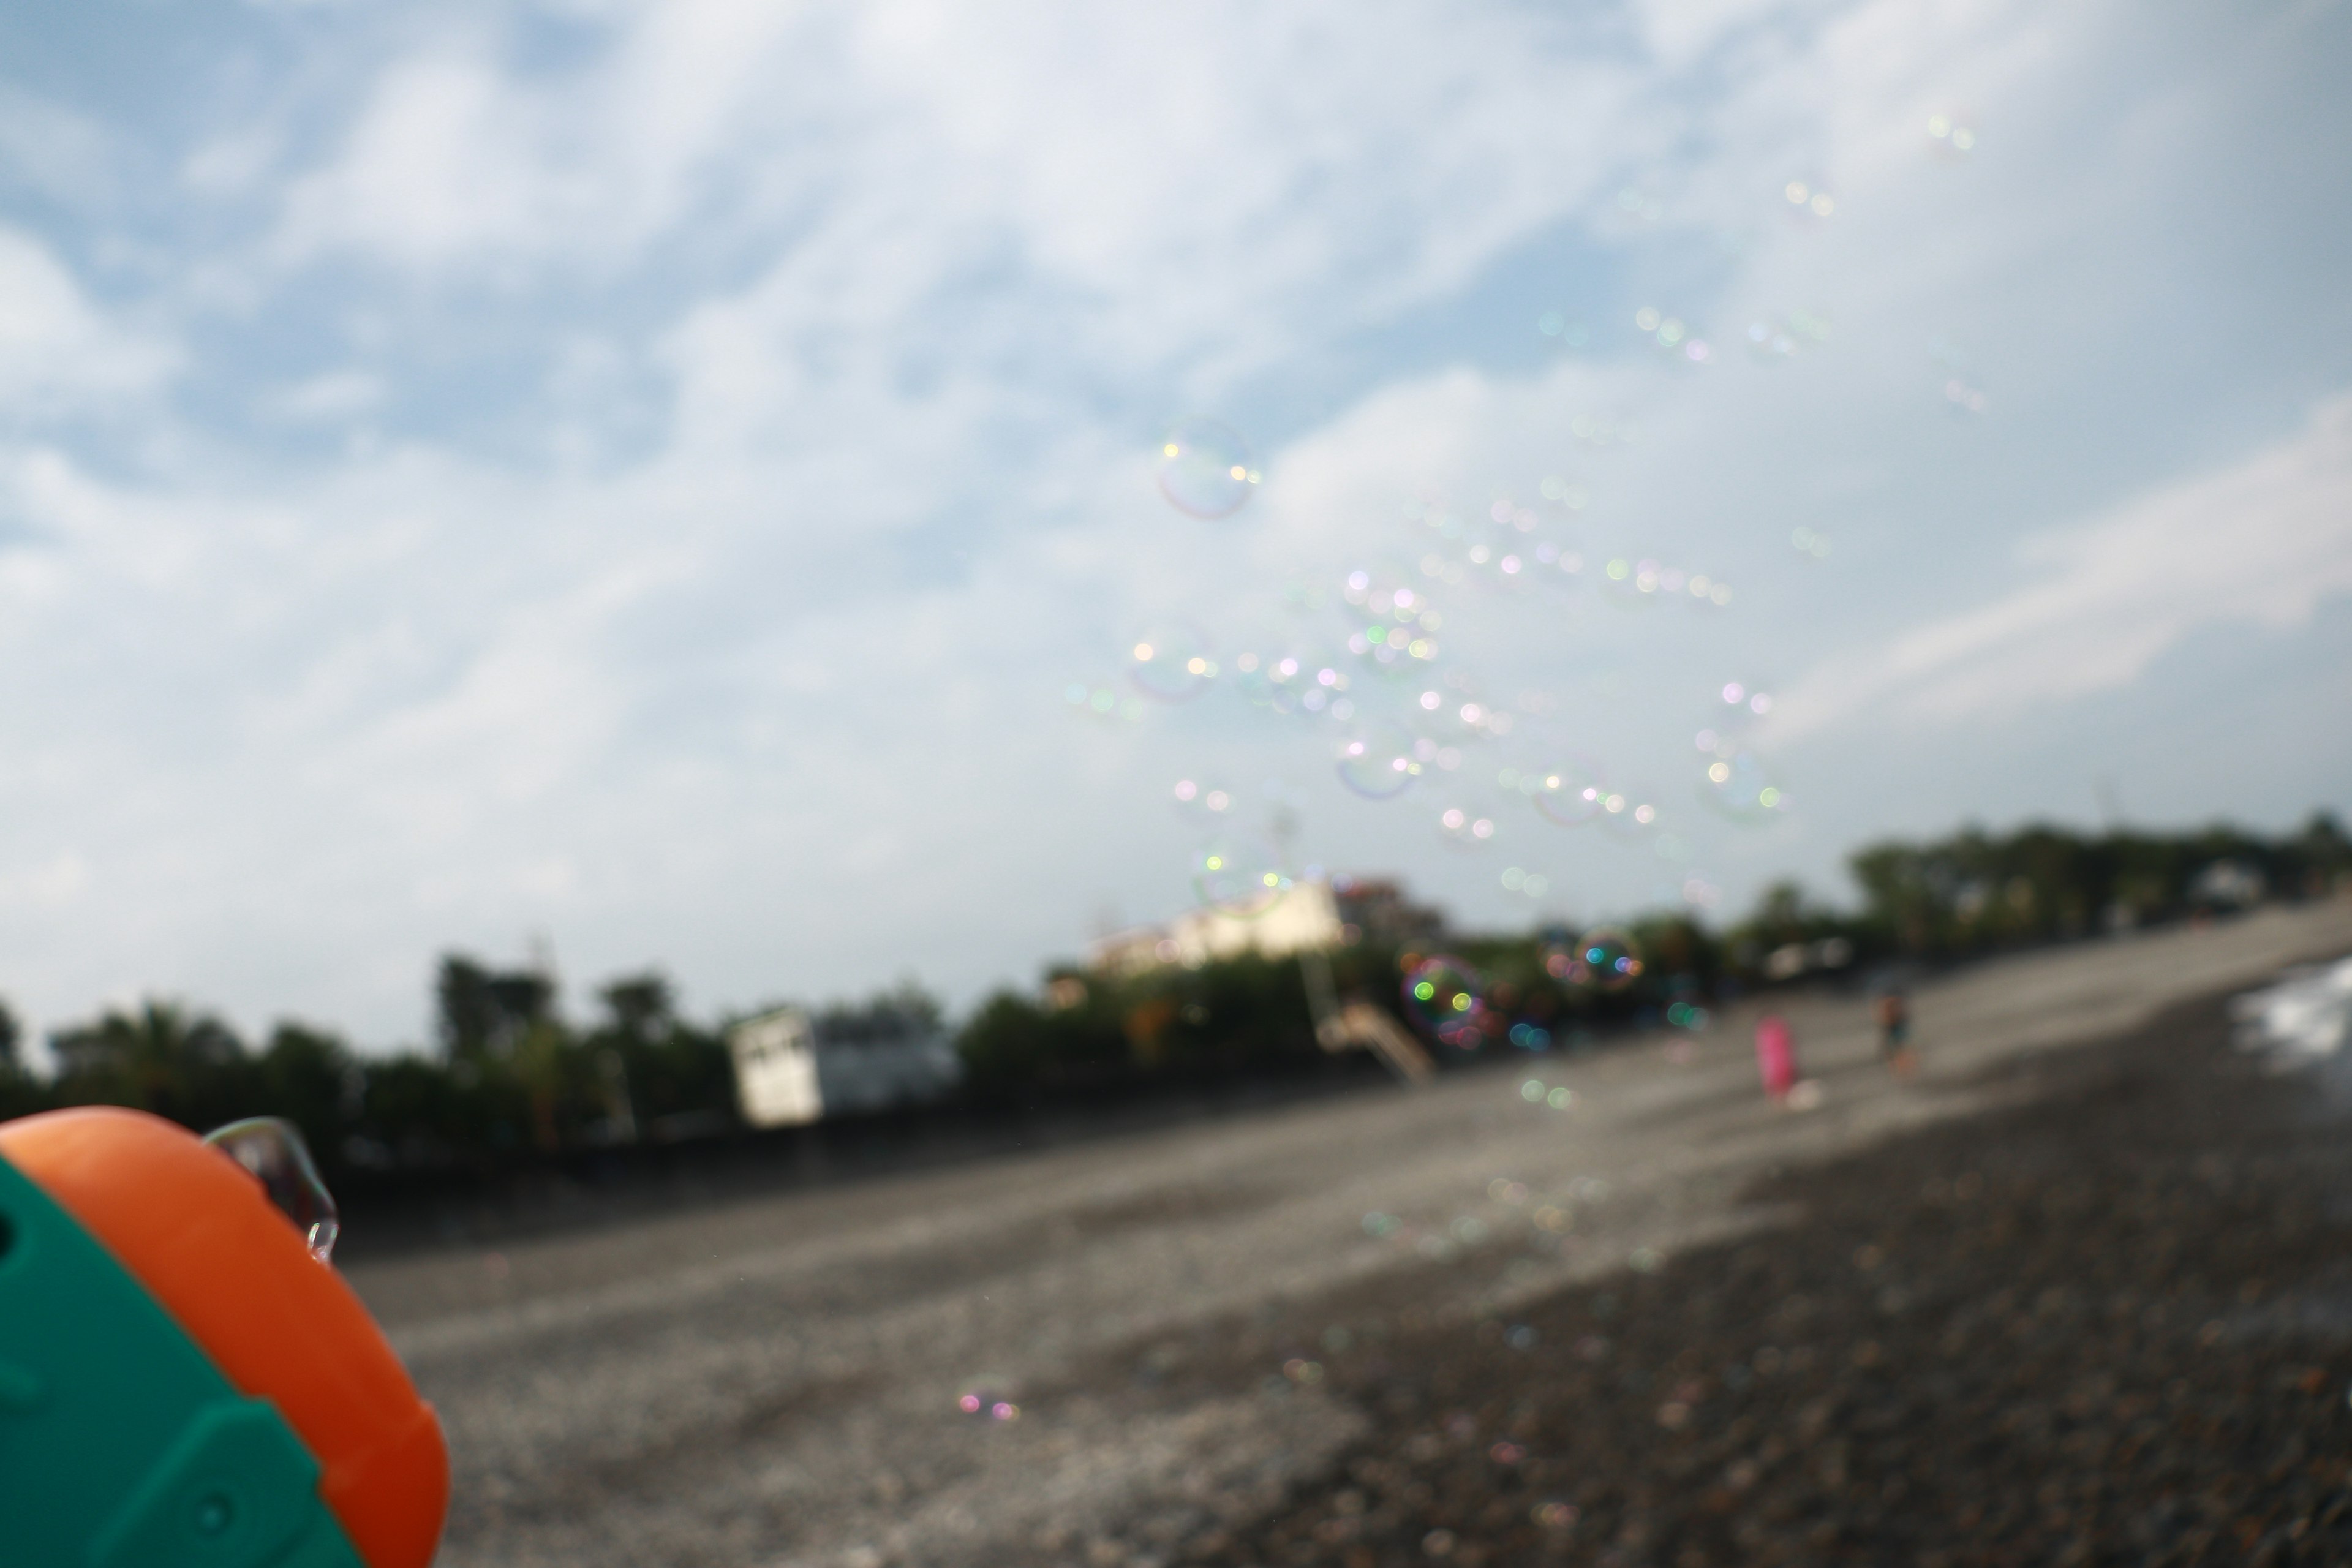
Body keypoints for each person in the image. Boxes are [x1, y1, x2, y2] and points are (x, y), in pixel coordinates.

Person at [1754, 1012, 1797, 1101]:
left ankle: (1782, 1098)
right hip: (1782, 1068)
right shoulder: (1779, 1030)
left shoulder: (1764, 1033)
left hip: (1778, 1069)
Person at [1875, 988, 1915, 1078]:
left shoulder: (1890, 1003)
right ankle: (1902, 1069)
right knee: (1897, 1049)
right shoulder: (1889, 1004)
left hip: (1895, 1028)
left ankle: (1904, 1068)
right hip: (1892, 1028)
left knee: (1900, 1048)